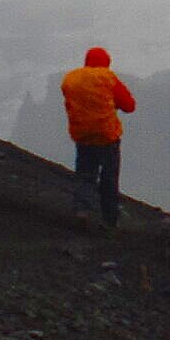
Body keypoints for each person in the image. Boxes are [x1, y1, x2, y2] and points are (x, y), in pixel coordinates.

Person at [60, 46, 136, 230]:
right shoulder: (107, 77)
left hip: (83, 137)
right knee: (109, 177)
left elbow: (70, 100)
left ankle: (82, 211)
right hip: (107, 137)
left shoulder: (71, 78)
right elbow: (129, 105)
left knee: (85, 175)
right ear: (106, 62)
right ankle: (110, 220)